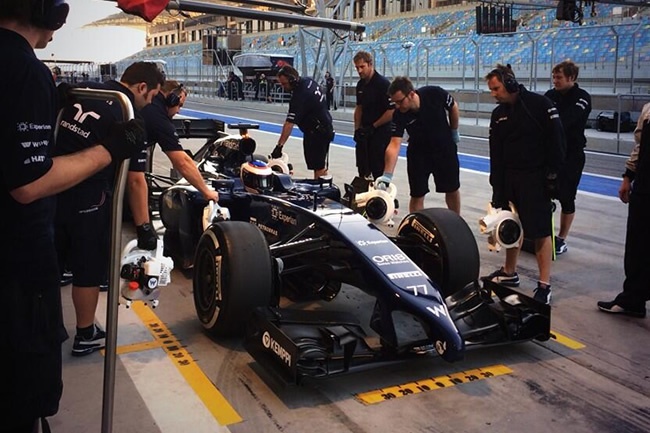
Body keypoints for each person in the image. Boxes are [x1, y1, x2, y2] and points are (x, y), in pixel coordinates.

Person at [0, 1, 146, 430]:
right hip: (16, 269)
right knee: (23, 394)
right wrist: (111, 149)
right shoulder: (23, 69)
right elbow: (27, 184)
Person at [54, 61, 164, 357]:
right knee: (88, 271)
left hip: (49, 187)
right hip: (88, 197)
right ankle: (86, 332)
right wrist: (144, 229)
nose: (149, 102)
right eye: (152, 95)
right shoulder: (126, 111)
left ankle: (48, 327)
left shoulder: (86, 92)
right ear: (142, 87)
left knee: (51, 265)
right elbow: (136, 181)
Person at [482, 64, 565, 305]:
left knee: (539, 231)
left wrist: (553, 176)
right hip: (509, 178)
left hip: (536, 178)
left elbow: (558, 143)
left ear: (509, 83)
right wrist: (497, 186)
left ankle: (544, 284)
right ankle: (509, 273)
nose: (493, 93)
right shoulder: (498, 115)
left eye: (496, 88)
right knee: (510, 226)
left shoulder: (541, 105)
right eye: (491, 89)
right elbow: (495, 153)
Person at [129, 79, 219, 250]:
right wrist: (207, 191)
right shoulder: (157, 116)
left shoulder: (150, 108)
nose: (179, 110)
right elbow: (182, 162)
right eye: (179, 104)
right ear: (171, 98)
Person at [376, 76, 461, 214]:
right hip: (419, 153)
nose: (397, 106)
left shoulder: (434, 93)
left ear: (411, 94)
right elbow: (394, 144)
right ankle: (415, 225)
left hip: (444, 148)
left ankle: (457, 220)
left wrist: (454, 130)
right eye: (394, 102)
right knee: (417, 194)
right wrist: (387, 175)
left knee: (452, 188)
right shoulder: (399, 114)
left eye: (399, 101)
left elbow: (453, 107)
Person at [597, 103, 650, 318]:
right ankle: (632, 300)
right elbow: (639, 146)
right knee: (637, 247)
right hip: (645, 188)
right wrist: (627, 177)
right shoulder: (648, 110)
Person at [544, 60, 592, 255]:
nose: (555, 80)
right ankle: (542, 233)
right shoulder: (549, 95)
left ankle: (561, 238)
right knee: (543, 194)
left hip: (572, 155)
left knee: (567, 197)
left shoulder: (582, 97)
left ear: (571, 78)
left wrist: (550, 122)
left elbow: (566, 122)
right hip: (551, 154)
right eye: (554, 77)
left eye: (559, 77)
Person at [273, 65, 334, 179]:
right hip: (324, 127)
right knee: (320, 166)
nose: (283, 87)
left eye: (284, 84)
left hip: (317, 132)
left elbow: (289, 124)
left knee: (318, 167)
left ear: (292, 80)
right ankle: (323, 185)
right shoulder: (308, 81)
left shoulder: (300, 95)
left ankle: (320, 192)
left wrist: (279, 146)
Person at [353, 51, 394, 179]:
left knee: (377, 168)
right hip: (365, 131)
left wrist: (374, 126)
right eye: (357, 68)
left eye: (362, 67)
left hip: (380, 132)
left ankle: (378, 194)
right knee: (362, 166)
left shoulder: (383, 84)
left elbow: (391, 111)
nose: (359, 71)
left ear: (370, 65)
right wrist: (357, 129)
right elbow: (359, 108)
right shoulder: (360, 84)